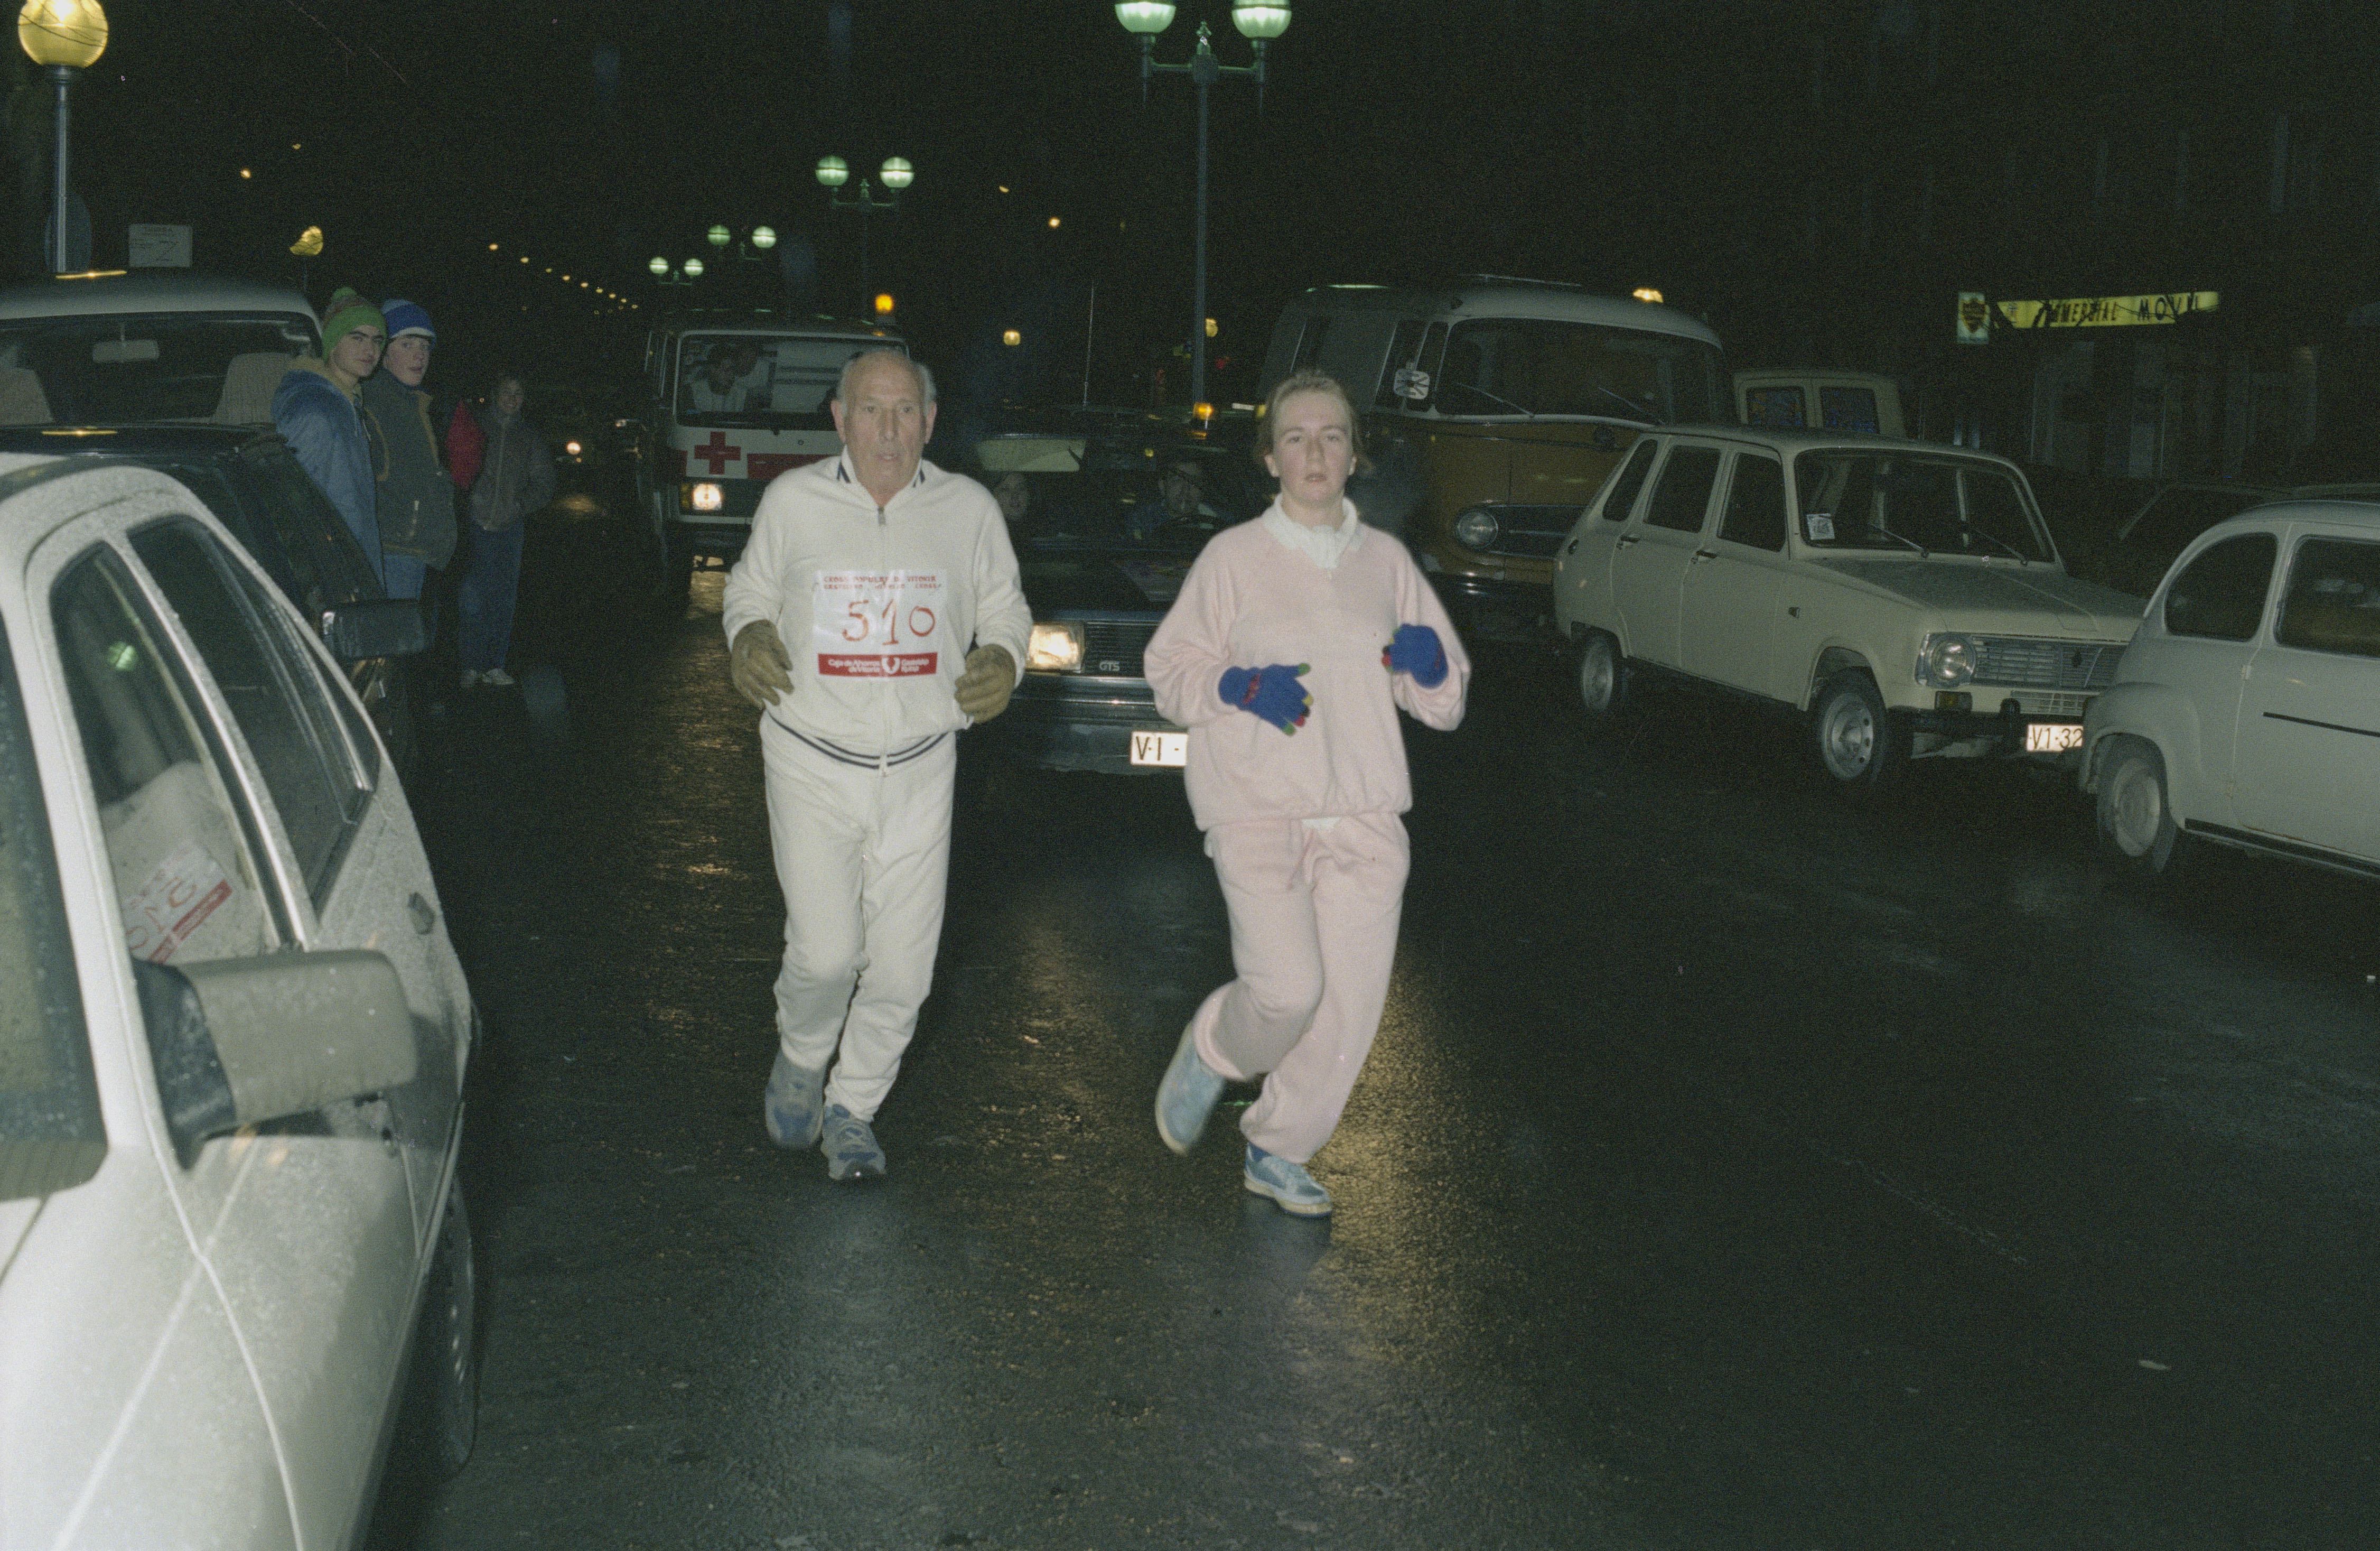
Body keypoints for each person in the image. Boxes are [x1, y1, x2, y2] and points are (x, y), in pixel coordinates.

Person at [1143, 368, 1469, 1217]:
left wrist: (1432, 667)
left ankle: (1279, 1149)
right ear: (1270, 458)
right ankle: (1216, 1048)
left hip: (1363, 815)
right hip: (1257, 808)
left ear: (1355, 454)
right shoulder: (1233, 558)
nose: (1315, 452)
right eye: (1296, 437)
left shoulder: (1387, 563)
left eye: (1332, 436)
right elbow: (1169, 672)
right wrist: (1236, 685)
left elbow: (1443, 702)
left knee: (1346, 1010)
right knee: (1288, 990)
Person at [720, 349, 1031, 1182]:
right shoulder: (794, 501)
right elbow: (748, 589)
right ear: (839, 418)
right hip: (812, 759)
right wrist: (748, 632)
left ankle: (852, 1108)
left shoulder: (967, 509)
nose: (888, 430)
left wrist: (1005, 655)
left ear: (930, 421)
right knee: (826, 954)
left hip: (923, 766)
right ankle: (802, 1052)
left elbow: (1005, 606)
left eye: (905, 411)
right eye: (870, 409)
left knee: (902, 969)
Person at [274, 288, 387, 582]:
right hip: (334, 570)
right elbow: (295, 504)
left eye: (377, 340)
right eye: (357, 338)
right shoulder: (316, 408)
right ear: (332, 341)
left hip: (352, 560)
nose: (370, 350)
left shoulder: (345, 401)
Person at [361, 299, 457, 629]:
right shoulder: (374, 402)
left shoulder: (412, 402)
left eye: (425, 347)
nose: (420, 356)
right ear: (383, 353)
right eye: (407, 345)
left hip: (413, 552)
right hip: (392, 553)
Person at [455, 371, 553, 689]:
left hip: (509, 529)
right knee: (471, 597)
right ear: (495, 394)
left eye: (518, 394)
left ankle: (495, 664)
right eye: (506, 392)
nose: (512, 399)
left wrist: (519, 505)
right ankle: (471, 665)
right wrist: (465, 501)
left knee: (502, 599)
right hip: (474, 524)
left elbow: (545, 483)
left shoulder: (530, 438)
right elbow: (455, 467)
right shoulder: (476, 427)